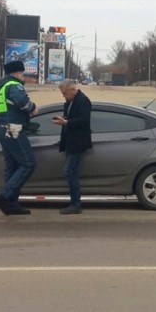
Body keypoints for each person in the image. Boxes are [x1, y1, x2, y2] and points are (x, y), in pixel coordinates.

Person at [0, 60, 38, 216]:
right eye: (22, 73)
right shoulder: (14, 85)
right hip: (14, 128)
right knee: (28, 163)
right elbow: (23, 104)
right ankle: (5, 195)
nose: (23, 77)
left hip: (2, 128)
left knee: (12, 166)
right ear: (18, 73)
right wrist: (33, 108)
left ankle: (11, 204)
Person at [53, 79, 92, 214]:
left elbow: (83, 120)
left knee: (70, 171)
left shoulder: (83, 101)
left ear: (72, 90)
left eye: (65, 93)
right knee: (70, 171)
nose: (64, 96)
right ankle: (75, 202)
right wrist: (63, 119)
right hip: (71, 142)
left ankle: (75, 204)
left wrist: (66, 122)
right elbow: (71, 116)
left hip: (77, 142)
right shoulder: (72, 101)